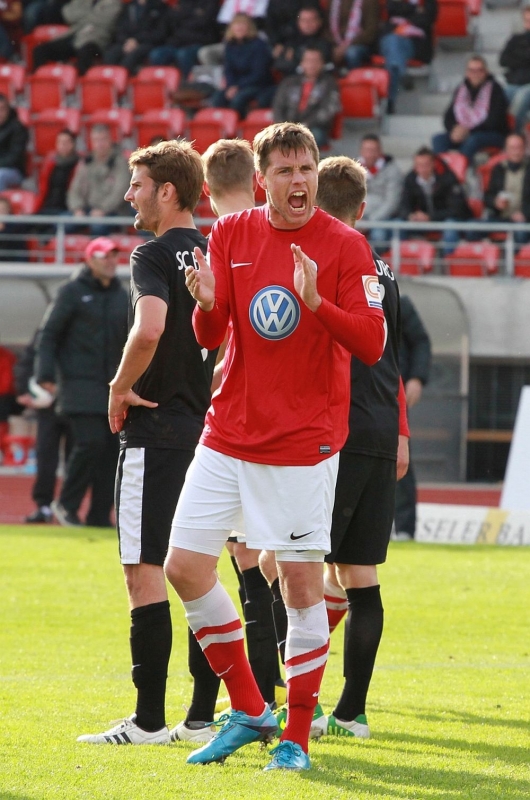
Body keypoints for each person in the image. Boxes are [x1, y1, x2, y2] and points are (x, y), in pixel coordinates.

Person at [163, 121, 386, 771]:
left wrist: (317, 301)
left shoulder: (347, 246)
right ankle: (251, 708)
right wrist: (206, 304)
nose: (298, 181)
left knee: (300, 586)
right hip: (227, 432)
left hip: (301, 443)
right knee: (184, 567)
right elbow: (212, 334)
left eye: (306, 168)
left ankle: (297, 739)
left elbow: (372, 343)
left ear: (317, 172)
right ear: (262, 180)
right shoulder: (231, 232)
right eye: (285, 171)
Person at [76, 140, 218, 746]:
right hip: (208, 437)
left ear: (167, 190)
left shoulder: (151, 254)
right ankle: (203, 716)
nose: (127, 194)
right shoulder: (215, 251)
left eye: (137, 185)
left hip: (155, 431)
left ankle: (149, 721)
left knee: (144, 573)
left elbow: (150, 326)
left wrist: (118, 387)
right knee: (202, 575)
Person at [172, 138, 283, 743]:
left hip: (244, 429)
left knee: (228, 569)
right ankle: (270, 699)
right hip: (279, 427)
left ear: (206, 192)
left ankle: (230, 708)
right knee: (269, 571)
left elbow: (212, 336)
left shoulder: (224, 241)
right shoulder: (272, 237)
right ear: (259, 179)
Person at [314, 155, 409, 738]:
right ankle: (352, 712)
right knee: (357, 572)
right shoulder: (385, 271)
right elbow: (392, 358)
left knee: (284, 563)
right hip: (378, 429)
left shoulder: (325, 260)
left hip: (335, 429)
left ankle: (292, 701)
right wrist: (401, 432)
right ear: (363, 207)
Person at [34, 237, 128, 528]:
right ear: (89, 260)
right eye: (104, 256)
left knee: (112, 451)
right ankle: (66, 504)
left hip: (112, 386)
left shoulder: (122, 295)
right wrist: (45, 375)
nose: (110, 261)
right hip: (78, 385)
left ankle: (99, 515)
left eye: (114, 256)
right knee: (90, 442)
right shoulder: (71, 292)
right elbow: (48, 335)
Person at [14, 333, 72, 524]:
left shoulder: (88, 329)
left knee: (76, 458)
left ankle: (68, 506)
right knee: (45, 455)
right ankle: (43, 506)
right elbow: (27, 361)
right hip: (48, 408)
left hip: (76, 405)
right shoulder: (46, 332)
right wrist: (24, 389)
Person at [394, 294, 431, 541]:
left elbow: (420, 342)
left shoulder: (400, 303)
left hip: (393, 392)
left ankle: (405, 529)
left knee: (400, 456)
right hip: (357, 391)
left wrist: (417, 377)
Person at [432, 55, 509, 163]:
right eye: (472, 70)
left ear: (486, 71)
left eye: (480, 70)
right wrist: (454, 129)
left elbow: (494, 121)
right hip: (465, 132)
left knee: (473, 140)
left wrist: (468, 131)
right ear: (467, 73)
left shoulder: (495, 89)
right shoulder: (461, 89)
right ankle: (442, 170)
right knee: (438, 139)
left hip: (492, 134)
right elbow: (448, 117)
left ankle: (460, 170)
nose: (475, 74)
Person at [399, 146, 472, 257]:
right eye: (419, 165)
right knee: (398, 225)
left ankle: (447, 263)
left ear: (433, 164)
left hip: (445, 219)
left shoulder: (447, 177)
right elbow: (403, 205)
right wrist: (411, 216)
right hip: (422, 222)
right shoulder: (410, 179)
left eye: (426, 165)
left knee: (450, 227)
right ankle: (401, 263)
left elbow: (457, 209)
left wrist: (430, 217)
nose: (423, 169)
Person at [66, 124, 131, 236]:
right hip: (88, 210)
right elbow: (74, 189)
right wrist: (77, 208)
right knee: (64, 222)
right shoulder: (87, 162)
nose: (99, 144)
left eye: (103, 139)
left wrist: (103, 209)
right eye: (96, 140)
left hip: (114, 212)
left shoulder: (120, 162)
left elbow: (120, 192)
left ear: (110, 140)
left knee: (98, 227)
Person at [273, 46, 341, 149]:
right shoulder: (289, 82)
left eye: (315, 61)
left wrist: (305, 125)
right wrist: (283, 125)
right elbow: (278, 106)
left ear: (322, 63)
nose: (311, 65)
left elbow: (328, 110)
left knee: (309, 137)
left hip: (315, 128)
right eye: (308, 61)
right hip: (288, 126)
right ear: (301, 63)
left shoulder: (330, 83)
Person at [210, 13, 274, 119]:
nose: (239, 28)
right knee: (218, 98)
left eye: (242, 24)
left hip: (257, 85)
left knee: (238, 100)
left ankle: (239, 125)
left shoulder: (259, 45)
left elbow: (259, 73)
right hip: (236, 85)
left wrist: (238, 87)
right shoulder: (230, 45)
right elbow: (228, 70)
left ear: (249, 27)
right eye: (236, 24)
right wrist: (231, 86)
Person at [32, 0, 121, 76]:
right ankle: (41, 81)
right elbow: (67, 14)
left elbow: (105, 22)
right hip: (75, 35)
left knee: (85, 53)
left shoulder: (113, 2)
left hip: (97, 39)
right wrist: (92, 16)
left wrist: (80, 17)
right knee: (40, 50)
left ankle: (83, 84)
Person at [379, 0, 438, 114]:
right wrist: (415, 9)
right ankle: (402, 73)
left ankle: (390, 102)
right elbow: (391, 7)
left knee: (394, 57)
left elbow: (428, 18)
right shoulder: (415, 7)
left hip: (414, 43)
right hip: (389, 38)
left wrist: (403, 19)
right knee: (393, 43)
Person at [148, 0, 220, 80]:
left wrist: (185, 16)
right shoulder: (183, 2)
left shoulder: (210, 2)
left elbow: (204, 22)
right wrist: (193, 14)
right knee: (157, 54)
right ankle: (160, 83)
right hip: (179, 41)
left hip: (199, 41)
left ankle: (187, 83)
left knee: (183, 55)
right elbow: (173, 18)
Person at [357, 133, 403, 252]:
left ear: (380, 152)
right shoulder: (353, 169)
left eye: (373, 150)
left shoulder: (392, 170)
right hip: (357, 217)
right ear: (361, 151)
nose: (370, 154)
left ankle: (377, 263)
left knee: (379, 236)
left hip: (382, 218)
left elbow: (392, 202)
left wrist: (370, 222)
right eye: (367, 150)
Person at [484, 133, 530, 247]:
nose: (516, 152)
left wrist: (525, 214)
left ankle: (514, 258)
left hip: (525, 220)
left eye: (519, 147)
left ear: (525, 149)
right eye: (512, 148)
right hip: (501, 217)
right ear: (506, 150)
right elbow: (487, 196)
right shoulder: (498, 169)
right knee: (472, 228)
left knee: (520, 232)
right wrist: (495, 202)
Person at [102, 0, 168, 75]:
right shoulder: (129, 6)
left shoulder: (159, 7)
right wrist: (127, 41)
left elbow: (159, 33)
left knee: (129, 60)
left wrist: (137, 40)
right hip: (127, 42)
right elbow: (120, 29)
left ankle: (125, 80)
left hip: (147, 43)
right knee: (111, 55)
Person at [269, 4, 332, 78]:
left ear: (319, 22)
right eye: (303, 20)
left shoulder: (326, 44)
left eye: (311, 20)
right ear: (298, 22)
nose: (307, 24)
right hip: (291, 80)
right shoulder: (289, 42)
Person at [499, 6, 530, 135]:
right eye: (527, 20)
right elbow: (503, 60)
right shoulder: (516, 39)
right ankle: (500, 135)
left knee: (521, 99)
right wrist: (526, 57)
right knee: (498, 100)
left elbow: (511, 59)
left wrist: (518, 56)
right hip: (514, 83)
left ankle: (515, 135)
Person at [35, 130, 80, 217]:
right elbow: (43, 189)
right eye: (60, 142)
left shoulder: (79, 165)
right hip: (47, 206)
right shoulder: (50, 164)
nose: (63, 145)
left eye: (66, 142)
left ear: (73, 144)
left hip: (67, 209)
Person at [329, 0, 380, 71]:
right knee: (322, 49)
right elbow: (326, 28)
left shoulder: (369, 2)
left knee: (352, 53)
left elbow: (371, 32)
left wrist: (345, 47)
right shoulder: (332, 2)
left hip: (360, 44)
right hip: (335, 42)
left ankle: (353, 76)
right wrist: (336, 46)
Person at [0, 94, 28, 192]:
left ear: (8, 110)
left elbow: (15, 157)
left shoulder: (18, 129)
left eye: (2, 109)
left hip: (13, 170)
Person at [0, 196, 28, 262]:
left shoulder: (16, 225)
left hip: (13, 258)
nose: (1, 212)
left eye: (3, 209)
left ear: (8, 210)